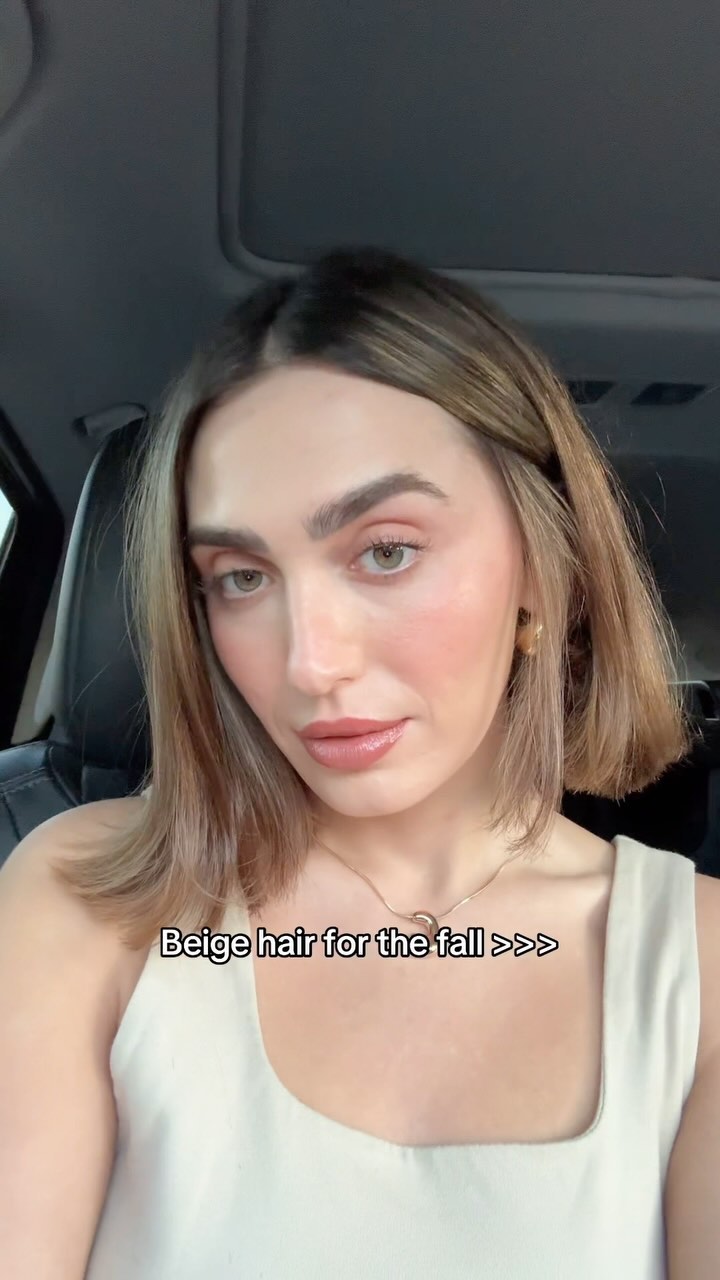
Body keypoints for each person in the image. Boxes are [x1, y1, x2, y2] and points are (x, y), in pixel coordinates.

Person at [1, 247, 718, 1279]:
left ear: (540, 557)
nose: (310, 663)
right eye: (241, 576)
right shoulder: (87, 897)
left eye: (386, 550)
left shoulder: (697, 968)